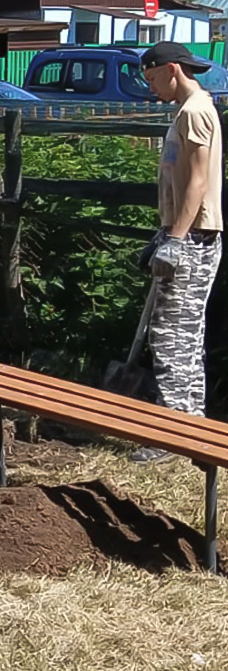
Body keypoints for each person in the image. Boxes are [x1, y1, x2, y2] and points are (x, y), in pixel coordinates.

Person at [134, 41, 223, 460]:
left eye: (152, 79)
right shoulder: (188, 111)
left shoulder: (195, 112)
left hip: (194, 240)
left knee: (170, 338)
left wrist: (175, 240)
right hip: (185, 234)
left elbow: (198, 182)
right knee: (186, 336)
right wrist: (164, 233)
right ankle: (192, 428)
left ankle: (172, 436)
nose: (151, 88)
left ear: (172, 69)